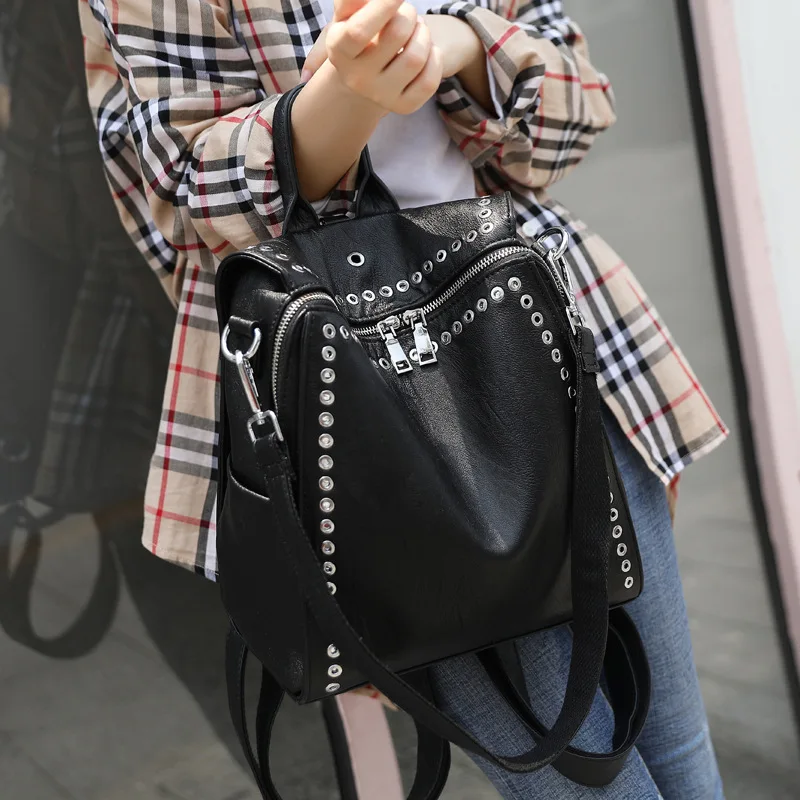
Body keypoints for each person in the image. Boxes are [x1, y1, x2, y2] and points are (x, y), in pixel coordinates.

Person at [80, 0, 728, 797]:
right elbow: (189, 206)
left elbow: (576, 111)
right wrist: (348, 95)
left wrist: (459, 44)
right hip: (372, 427)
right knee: (593, 785)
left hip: (554, 352)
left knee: (680, 750)